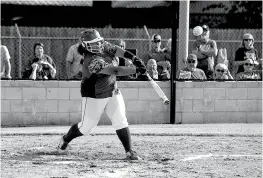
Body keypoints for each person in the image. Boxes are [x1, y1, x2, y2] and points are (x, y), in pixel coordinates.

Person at [57, 29, 147, 160]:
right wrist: (135, 70)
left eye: (99, 42)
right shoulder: (91, 61)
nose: (99, 45)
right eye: (95, 43)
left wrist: (133, 58)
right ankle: (65, 139)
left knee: (120, 118)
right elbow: (115, 70)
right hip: (94, 95)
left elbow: (116, 49)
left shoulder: (100, 45)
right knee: (86, 128)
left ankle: (129, 151)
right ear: (86, 46)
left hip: (111, 89)